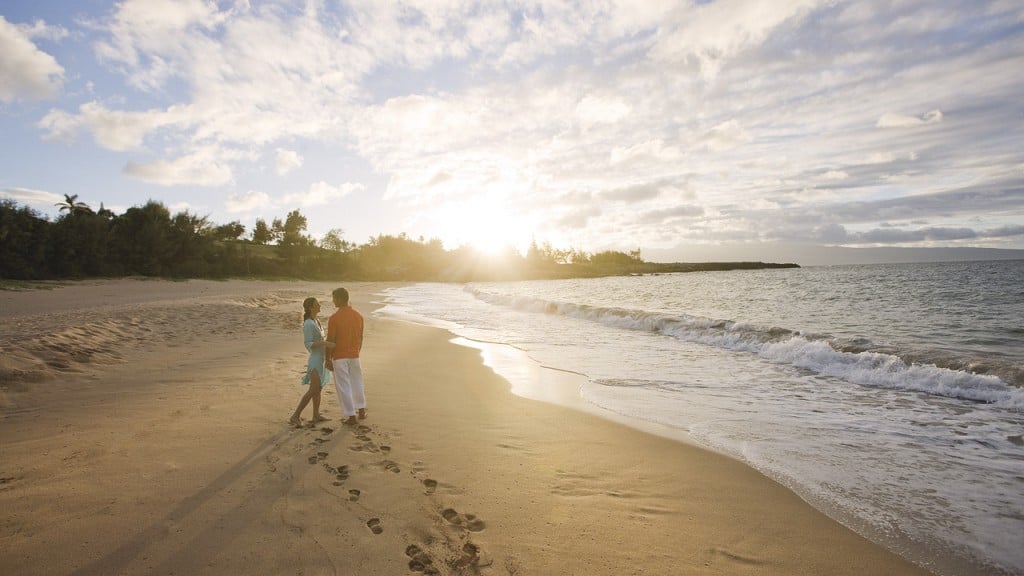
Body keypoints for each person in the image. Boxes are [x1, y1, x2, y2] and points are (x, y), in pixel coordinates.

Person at [325, 287, 365, 426]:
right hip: (354, 355)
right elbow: (360, 337)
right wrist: (356, 351)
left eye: (334, 298)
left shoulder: (334, 318)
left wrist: (327, 359)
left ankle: (351, 416)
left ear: (341, 299)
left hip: (340, 356)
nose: (333, 301)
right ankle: (361, 409)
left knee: (344, 386)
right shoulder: (358, 315)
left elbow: (331, 340)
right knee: (357, 382)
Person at [289, 297, 332, 427]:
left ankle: (316, 415)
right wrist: (325, 343)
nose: (320, 305)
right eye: (317, 304)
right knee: (313, 389)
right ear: (310, 307)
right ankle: (295, 416)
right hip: (315, 360)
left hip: (321, 359)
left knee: (318, 389)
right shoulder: (308, 323)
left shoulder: (316, 321)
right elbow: (308, 344)